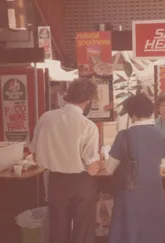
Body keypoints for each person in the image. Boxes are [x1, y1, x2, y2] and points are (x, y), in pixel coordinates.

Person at [29, 78, 102, 243]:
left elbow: (34, 155)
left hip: (56, 181)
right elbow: (91, 168)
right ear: (88, 100)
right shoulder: (88, 126)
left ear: (68, 95)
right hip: (81, 183)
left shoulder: (46, 118)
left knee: (57, 229)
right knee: (83, 230)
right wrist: (99, 164)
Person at [106, 93, 165, 243]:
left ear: (132, 115)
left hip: (129, 192)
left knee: (128, 233)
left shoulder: (124, 136)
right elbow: (163, 165)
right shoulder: (160, 135)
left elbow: (109, 169)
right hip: (153, 193)